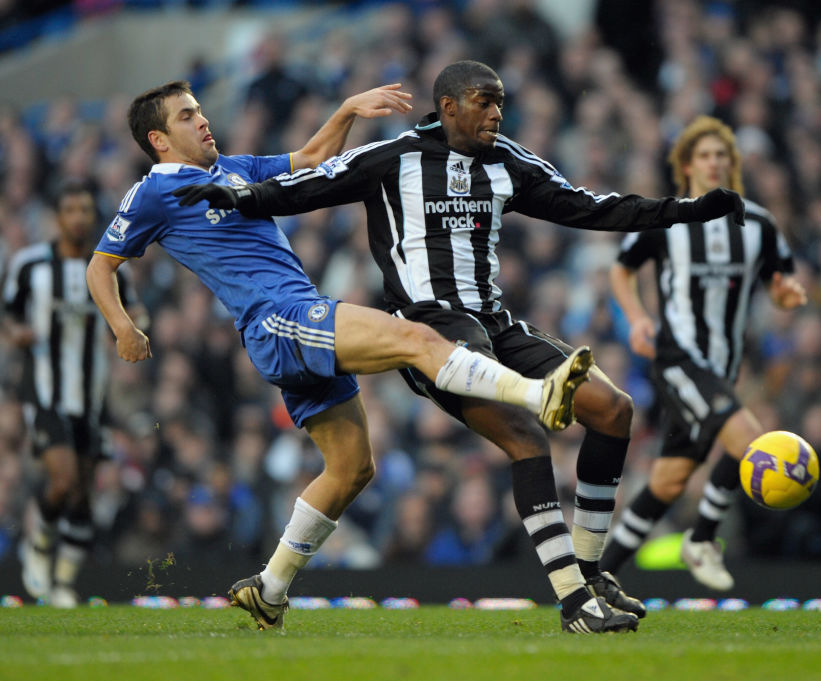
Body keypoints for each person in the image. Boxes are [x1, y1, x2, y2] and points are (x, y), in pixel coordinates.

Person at [173, 60, 745, 633]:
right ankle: (574, 602)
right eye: (484, 101)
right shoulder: (391, 158)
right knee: (525, 437)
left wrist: (684, 212)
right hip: (431, 335)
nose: (497, 111)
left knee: (615, 410)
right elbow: (303, 188)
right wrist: (234, 195)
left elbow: (590, 207)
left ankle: (591, 573)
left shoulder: (509, 162)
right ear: (448, 106)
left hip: (497, 325)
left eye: (500, 101)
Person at [87, 79, 593, 631]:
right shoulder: (153, 193)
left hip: (293, 324)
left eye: (201, 110)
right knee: (415, 338)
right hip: (276, 319)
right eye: (188, 116)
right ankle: (538, 395)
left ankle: (270, 588)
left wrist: (348, 108)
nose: (203, 120)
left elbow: (308, 159)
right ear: (159, 139)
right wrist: (124, 327)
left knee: (353, 467)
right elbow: (101, 265)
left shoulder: (232, 169)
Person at [597, 115, 807, 591]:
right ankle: (703, 540)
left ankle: (597, 575)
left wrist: (786, 296)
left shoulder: (759, 223)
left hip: (724, 367)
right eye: (706, 155)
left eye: (723, 155)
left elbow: (781, 282)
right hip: (678, 359)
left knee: (669, 481)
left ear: (733, 164)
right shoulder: (667, 217)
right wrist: (636, 318)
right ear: (687, 165)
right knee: (749, 438)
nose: (715, 163)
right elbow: (621, 270)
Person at [3, 179, 144, 607]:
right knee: (62, 481)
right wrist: (16, 333)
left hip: (93, 396)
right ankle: (39, 546)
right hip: (46, 392)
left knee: (83, 494)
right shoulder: (31, 266)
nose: (79, 218)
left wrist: (135, 330)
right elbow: (8, 311)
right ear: (57, 217)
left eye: (86, 210)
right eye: (71, 210)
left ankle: (63, 582)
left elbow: (134, 310)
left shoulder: (112, 268)